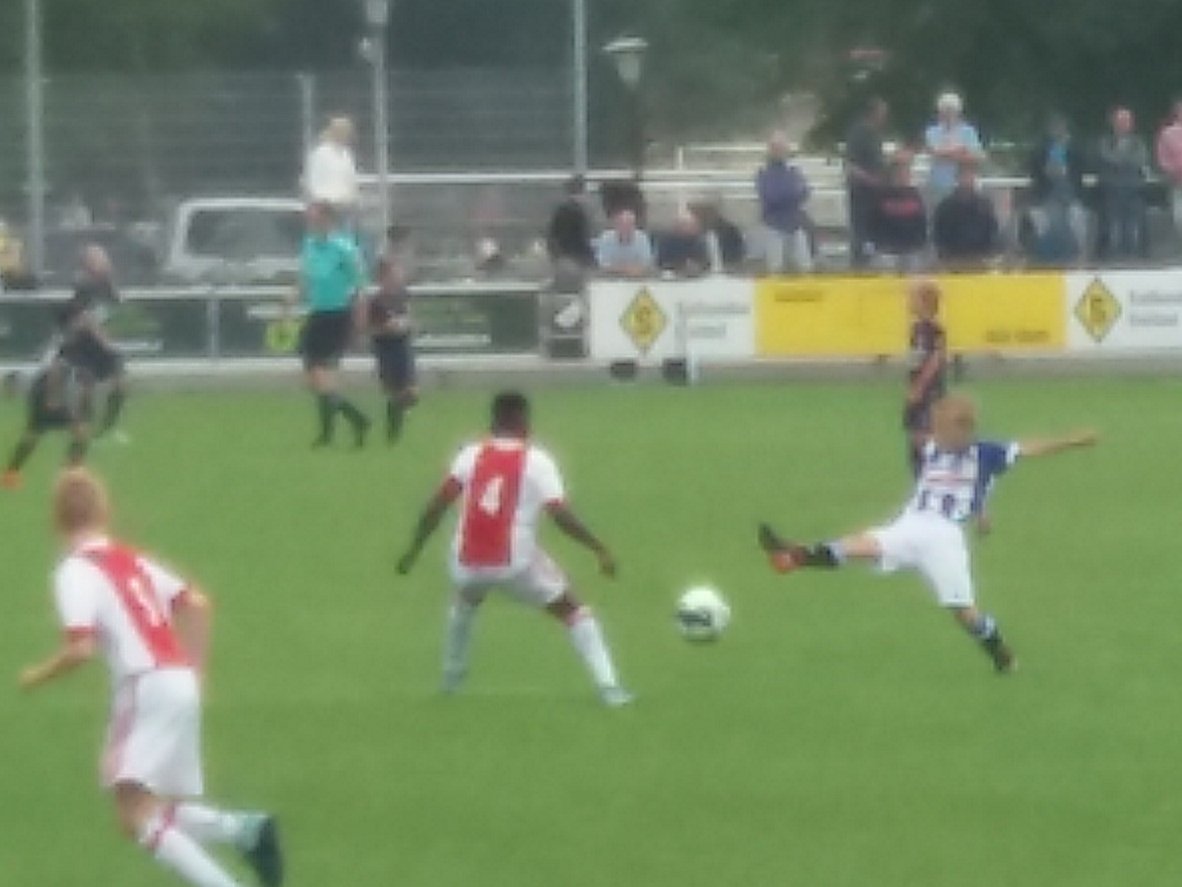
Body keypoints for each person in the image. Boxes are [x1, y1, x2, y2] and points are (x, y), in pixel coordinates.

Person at [17, 468, 284, 887]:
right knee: (141, 810)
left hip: (144, 685)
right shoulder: (129, 559)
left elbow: (80, 648)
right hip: (178, 679)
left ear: (55, 519)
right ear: (104, 510)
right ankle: (247, 830)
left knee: (136, 816)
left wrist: (36, 675)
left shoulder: (74, 571)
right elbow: (196, 603)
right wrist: (193, 672)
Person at [758, 395, 1098, 672]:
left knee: (965, 613)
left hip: (944, 537)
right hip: (911, 522)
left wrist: (1071, 441)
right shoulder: (933, 448)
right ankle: (796, 555)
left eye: (941, 427)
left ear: (962, 430)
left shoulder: (986, 454)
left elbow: (1028, 449)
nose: (933, 433)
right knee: (862, 545)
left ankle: (1001, 654)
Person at [395, 392, 631, 707]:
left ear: (493, 421)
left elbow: (437, 505)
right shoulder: (537, 460)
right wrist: (599, 549)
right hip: (513, 562)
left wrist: (413, 551)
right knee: (573, 610)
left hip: (465, 560)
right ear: (523, 421)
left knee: (465, 600)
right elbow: (560, 513)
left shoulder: (469, 454)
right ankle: (610, 687)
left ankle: (451, 681)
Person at [296, 201, 370, 448]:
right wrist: (291, 297)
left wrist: (360, 318)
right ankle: (331, 432)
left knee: (321, 376)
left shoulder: (344, 249)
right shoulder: (309, 245)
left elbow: (360, 286)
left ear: (327, 219)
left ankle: (354, 421)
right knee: (317, 379)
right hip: (317, 314)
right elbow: (306, 279)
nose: (310, 221)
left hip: (337, 316)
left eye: (315, 217)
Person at [56, 244, 129, 441]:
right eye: (99, 259)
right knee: (86, 386)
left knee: (121, 384)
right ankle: (83, 428)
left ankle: (109, 427)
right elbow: (85, 318)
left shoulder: (108, 284)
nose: (105, 262)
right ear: (88, 264)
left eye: (104, 257)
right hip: (84, 344)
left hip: (103, 343)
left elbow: (116, 309)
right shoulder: (84, 285)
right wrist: (104, 339)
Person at [2, 357, 90, 488]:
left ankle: (72, 469)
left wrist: (75, 413)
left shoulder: (69, 379)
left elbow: (76, 396)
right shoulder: (38, 388)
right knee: (30, 440)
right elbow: (35, 403)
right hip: (41, 412)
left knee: (81, 432)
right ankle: (11, 474)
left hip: (60, 409)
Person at [366, 254, 417, 443]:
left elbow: (410, 317)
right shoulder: (376, 302)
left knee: (410, 392)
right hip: (386, 349)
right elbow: (371, 328)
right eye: (393, 274)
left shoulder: (403, 296)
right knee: (393, 391)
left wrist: (408, 325)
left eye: (398, 273)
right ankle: (392, 434)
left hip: (403, 345)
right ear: (382, 278)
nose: (397, 277)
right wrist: (386, 328)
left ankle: (400, 411)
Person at [1025, 113, 1087, 264]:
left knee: (1076, 218)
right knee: (1047, 221)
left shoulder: (1075, 148)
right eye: (1054, 128)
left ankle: (1075, 256)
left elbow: (1081, 170)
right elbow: (1033, 170)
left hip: (1070, 195)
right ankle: (1048, 258)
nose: (1057, 131)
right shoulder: (1041, 148)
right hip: (1046, 195)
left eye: (1060, 127)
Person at [902, 280, 948, 477]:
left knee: (925, 436)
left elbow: (936, 359)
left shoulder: (932, 329)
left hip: (929, 393)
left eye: (913, 298)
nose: (909, 302)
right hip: (919, 390)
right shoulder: (916, 329)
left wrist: (919, 387)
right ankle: (922, 479)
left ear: (925, 302)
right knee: (915, 437)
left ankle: (931, 477)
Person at [1097, 107, 1150, 261]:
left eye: (1127, 121)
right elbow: (1106, 157)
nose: (1124, 124)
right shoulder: (1104, 142)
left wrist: (1120, 160)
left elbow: (1140, 160)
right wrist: (1124, 160)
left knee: (1133, 228)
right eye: (1120, 121)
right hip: (1111, 192)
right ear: (1113, 123)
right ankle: (1113, 259)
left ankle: (1133, 259)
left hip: (1133, 192)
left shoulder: (1139, 143)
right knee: (1112, 229)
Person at [756, 131, 812, 273]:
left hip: (795, 224)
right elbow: (771, 196)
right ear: (770, 150)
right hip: (774, 225)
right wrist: (792, 193)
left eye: (783, 148)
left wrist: (790, 194)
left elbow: (805, 192)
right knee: (776, 269)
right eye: (776, 148)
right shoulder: (763, 173)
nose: (780, 152)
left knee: (805, 267)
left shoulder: (794, 170)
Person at [844, 97, 890, 268]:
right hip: (861, 192)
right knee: (860, 234)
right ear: (873, 112)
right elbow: (850, 165)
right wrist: (870, 179)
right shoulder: (859, 132)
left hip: (876, 194)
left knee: (873, 234)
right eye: (882, 112)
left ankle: (871, 266)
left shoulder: (876, 134)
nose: (885, 116)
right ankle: (858, 268)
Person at [866, 151, 928, 271]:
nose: (905, 175)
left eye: (906, 171)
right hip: (887, 251)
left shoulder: (915, 195)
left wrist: (919, 244)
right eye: (901, 171)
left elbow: (922, 222)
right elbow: (871, 224)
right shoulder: (880, 196)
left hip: (911, 250)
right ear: (894, 173)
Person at [933, 161, 1000, 267]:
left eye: (970, 175)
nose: (967, 179)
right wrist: (945, 256)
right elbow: (939, 233)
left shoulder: (985, 204)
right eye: (963, 175)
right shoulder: (946, 206)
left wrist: (989, 254)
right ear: (957, 178)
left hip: (980, 259)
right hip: (953, 259)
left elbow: (992, 229)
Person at [924, 92, 985, 206]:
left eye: (952, 110)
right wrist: (961, 150)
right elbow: (935, 154)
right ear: (940, 112)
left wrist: (947, 154)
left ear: (958, 112)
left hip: (964, 184)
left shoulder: (968, 131)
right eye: (945, 110)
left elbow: (978, 156)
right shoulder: (931, 132)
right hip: (939, 184)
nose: (948, 114)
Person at [301, 116, 359, 217]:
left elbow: (351, 179)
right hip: (325, 207)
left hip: (344, 206)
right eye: (343, 132)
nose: (346, 136)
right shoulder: (321, 153)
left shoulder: (346, 154)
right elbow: (311, 180)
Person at [546, 174, 596, 270]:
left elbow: (552, 236)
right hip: (575, 260)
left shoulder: (560, 210)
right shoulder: (577, 212)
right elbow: (581, 241)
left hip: (562, 259)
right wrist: (591, 261)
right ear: (582, 192)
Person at [595, 209, 654, 278]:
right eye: (622, 225)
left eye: (629, 225)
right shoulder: (606, 238)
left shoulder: (642, 238)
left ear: (634, 226)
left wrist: (617, 268)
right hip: (610, 279)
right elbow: (602, 265)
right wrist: (628, 270)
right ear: (616, 225)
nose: (625, 228)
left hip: (637, 279)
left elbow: (646, 265)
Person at [1155, 100, 1182, 247]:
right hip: (1178, 183)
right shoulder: (1167, 134)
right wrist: (1173, 171)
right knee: (1179, 218)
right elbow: (1162, 159)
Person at [656, 209, 711, 277]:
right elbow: (660, 262)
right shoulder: (666, 240)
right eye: (687, 225)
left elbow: (706, 263)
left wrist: (698, 266)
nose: (694, 228)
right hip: (671, 277)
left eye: (694, 225)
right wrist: (679, 266)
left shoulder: (699, 240)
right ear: (677, 226)